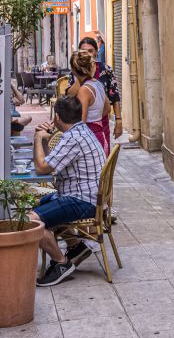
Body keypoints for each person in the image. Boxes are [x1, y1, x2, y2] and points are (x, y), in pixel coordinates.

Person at [30, 95, 106, 286]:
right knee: (39, 204)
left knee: (30, 221)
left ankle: (61, 263)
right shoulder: (82, 131)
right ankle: (76, 247)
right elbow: (52, 162)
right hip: (87, 195)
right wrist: (47, 140)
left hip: (82, 200)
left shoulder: (73, 139)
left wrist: (38, 139)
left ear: (57, 118)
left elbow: (41, 168)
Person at [78, 36, 123, 140]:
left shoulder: (106, 70)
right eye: (84, 51)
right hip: (79, 124)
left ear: (96, 52)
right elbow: (70, 95)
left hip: (101, 125)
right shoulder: (75, 72)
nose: (88, 54)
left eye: (90, 51)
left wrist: (118, 120)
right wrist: (80, 74)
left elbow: (114, 96)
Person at [70, 50, 112, 154]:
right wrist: (95, 117)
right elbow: (107, 109)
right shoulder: (98, 84)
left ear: (74, 70)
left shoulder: (84, 90)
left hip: (90, 139)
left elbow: (81, 122)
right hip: (100, 136)